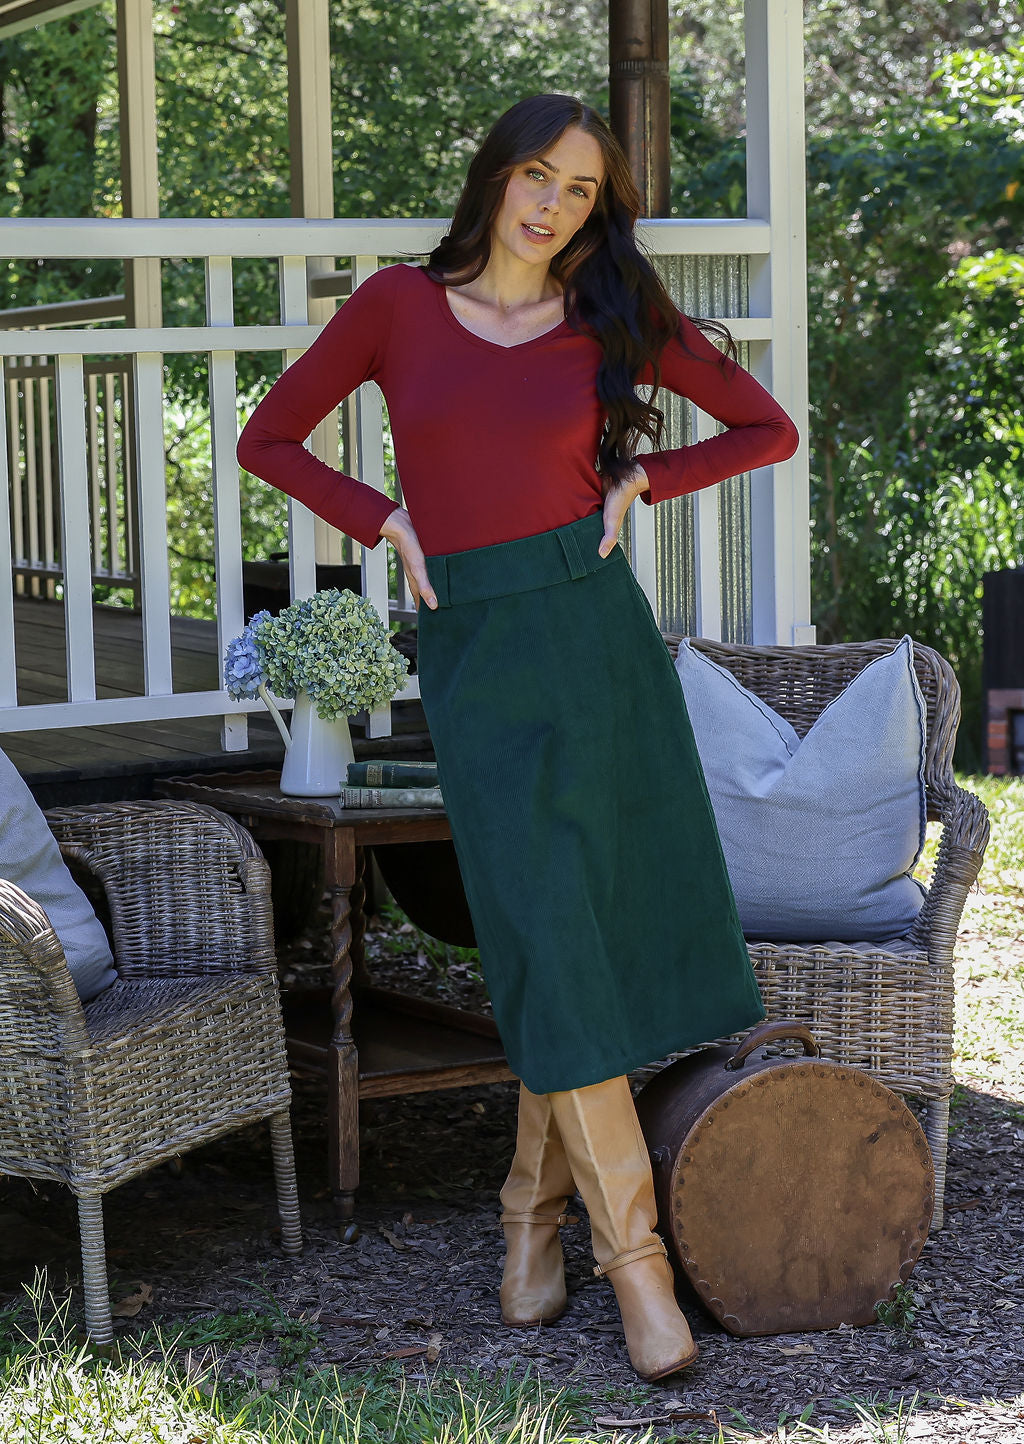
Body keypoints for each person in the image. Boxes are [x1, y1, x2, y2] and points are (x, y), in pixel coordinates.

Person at [237, 93, 799, 1382]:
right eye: (534, 176)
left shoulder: (611, 317)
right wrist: (385, 519)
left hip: (597, 640)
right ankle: (637, 1269)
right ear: (494, 178)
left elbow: (767, 427)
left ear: (598, 212)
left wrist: (642, 479)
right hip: (479, 648)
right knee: (542, 923)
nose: (550, 206)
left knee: (580, 931)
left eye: (580, 191)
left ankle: (530, 1222)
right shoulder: (394, 305)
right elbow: (270, 438)